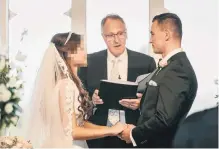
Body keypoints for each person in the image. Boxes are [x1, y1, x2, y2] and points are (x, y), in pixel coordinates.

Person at [16, 32, 125, 148]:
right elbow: (72, 131)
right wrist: (110, 131)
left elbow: (80, 123)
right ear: (69, 53)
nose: (85, 53)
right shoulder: (66, 85)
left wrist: (111, 129)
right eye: (81, 48)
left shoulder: (67, 83)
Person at [119, 12, 198, 148]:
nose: (150, 40)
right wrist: (143, 102)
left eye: (153, 34)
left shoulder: (177, 70)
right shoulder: (172, 65)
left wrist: (133, 134)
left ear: (166, 34)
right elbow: (168, 103)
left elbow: (165, 119)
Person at [78, 14, 156, 148]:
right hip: (98, 134)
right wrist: (92, 99)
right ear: (103, 37)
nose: (116, 40)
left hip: (132, 132)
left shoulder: (146, 62)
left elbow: (155, 101)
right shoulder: (88, 63)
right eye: (110, 35)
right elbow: (79, 100)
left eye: (120, 33)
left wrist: (140, 103)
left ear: (126, 34)